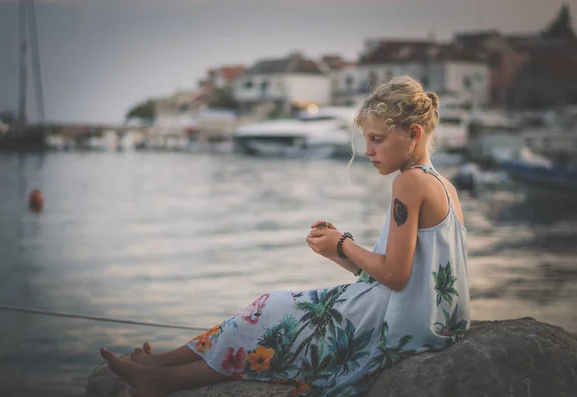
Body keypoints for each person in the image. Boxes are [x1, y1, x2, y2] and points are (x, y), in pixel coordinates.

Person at [99, 75, 470, 397]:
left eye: (377, 139)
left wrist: (344, 244)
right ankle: (160, 367)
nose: (368, 150)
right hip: (431, 321)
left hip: (400, 328)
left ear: (414, 134)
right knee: (271, 312)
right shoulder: (445, 187)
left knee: (271, 310)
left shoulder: (409, 182)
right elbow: (404, 277)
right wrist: (336, 251)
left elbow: (396, 276)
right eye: (366, 140)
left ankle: (163, 376)